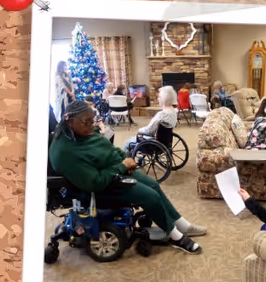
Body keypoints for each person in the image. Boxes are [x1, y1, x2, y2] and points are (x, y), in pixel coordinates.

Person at [49, 99, 205, 254]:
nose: (92, 124)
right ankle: (175, 236)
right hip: (100, 187)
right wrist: (122, 166)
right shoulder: (66, 152)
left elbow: (108, 148)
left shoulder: (82, 133)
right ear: (69, 120)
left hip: (114, 171)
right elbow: (94, 182)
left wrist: (125, 160)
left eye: (93, 119)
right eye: (87, 121)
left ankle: (183, 225)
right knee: (150, 196)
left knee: (153, 185)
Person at [123, 85, 178, 154]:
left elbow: (149, 130)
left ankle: (125, 161)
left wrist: (140, 130)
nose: (158, 99)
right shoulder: (173, 111)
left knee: (128, 142)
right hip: (166, 141)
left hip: (154, 143)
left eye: (160, 97)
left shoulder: (162, 114)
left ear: (165, 99)